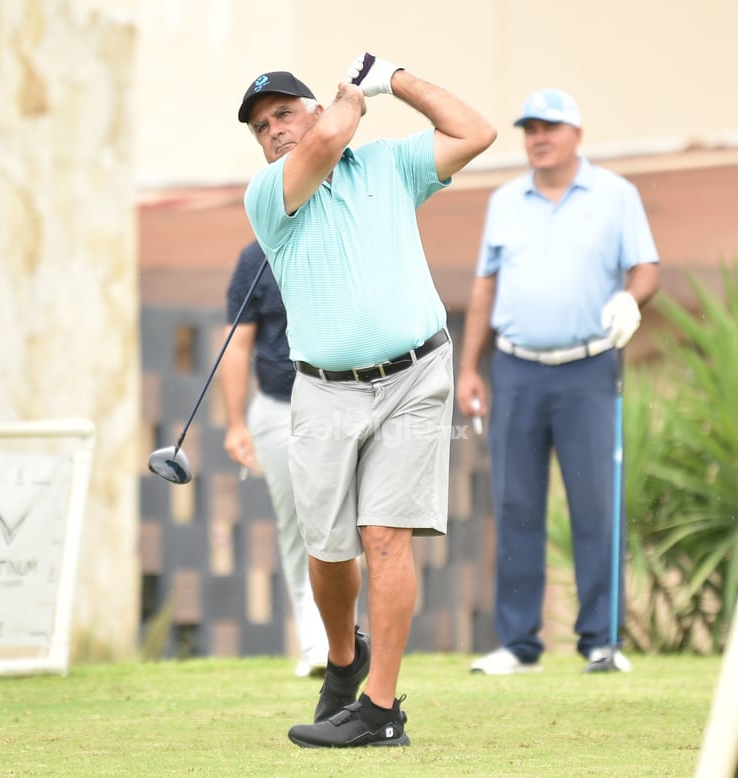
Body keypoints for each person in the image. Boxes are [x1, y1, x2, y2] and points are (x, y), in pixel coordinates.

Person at [237, 54, 496, 747]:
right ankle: (343, 660)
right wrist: (346, 109)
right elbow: (326, 144)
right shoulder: (270, 193)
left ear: (313, 109)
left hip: (416, 377)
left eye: (285, 113)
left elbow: (475, 131)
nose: (275, 133)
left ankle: (381, 712)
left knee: (386, 537)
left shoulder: (386, 164)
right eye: (262, 127)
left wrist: (394, 81)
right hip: (324, 390)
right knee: (329, 551)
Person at [457, 88, 660, 675]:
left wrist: (629, 296)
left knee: (595, 502)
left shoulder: (616, 195)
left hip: (590, 368)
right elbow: (485, 287)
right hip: (516, 368)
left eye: (549, 127)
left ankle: (600, 641)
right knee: (516, 502)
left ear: (576, 133)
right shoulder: (503, 201)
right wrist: (471, 366)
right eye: (529, 129)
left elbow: (646, 267)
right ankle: (519, 645)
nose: (538, 138)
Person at [219, 239, 329, 679]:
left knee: (345, 524)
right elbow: (237, 343)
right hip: (276, 409)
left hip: (339, 400)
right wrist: (234, 423)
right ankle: (316, 644)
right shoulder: (254, 257)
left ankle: (339, 641)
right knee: (299, 524)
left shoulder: (341, 237)